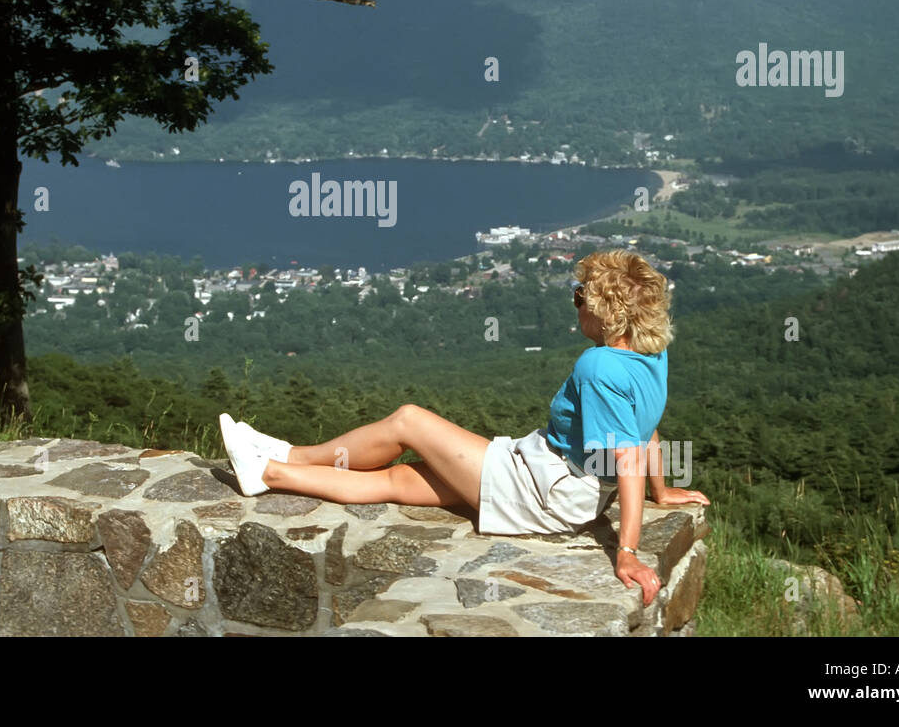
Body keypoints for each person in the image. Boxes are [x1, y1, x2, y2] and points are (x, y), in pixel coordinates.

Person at [221, 248, 709, 606]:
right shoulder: (653, 353)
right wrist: (661, 494)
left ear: (607, 312)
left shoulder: (598, 366)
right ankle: (269, 473)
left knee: (409, 421)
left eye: (580, 295)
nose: (576, 303)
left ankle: (290, 453)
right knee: (400, 478)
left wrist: (626, 551)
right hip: (552, 478)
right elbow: (643, 429)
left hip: (544, 487)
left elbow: (625, 455)